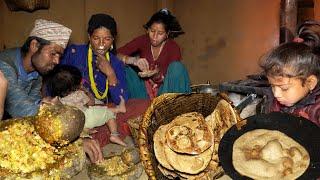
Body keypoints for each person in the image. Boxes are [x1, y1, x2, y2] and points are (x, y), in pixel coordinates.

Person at [60, 13, 151, 163]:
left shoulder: (115, 63)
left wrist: (110, 74)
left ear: (113, 40)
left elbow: (122, 100)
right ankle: (88, 136)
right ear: (89, 37)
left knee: (141, 106)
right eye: (96, 38)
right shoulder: (74, 53)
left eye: (107, 39)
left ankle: (94, 135)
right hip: (72, 108)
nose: (101, 44)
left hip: (101, 109)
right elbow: (55, 81)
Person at [0, 19, 72, 118]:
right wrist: (54, 111)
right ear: (34, 45)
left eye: (60, 56)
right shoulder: (4, 64)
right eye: (53, 54)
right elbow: (20, 107)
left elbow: (32, 102)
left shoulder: (37, 73)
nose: (57, 61)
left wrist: (44, 103)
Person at [117, 8, 191, 99]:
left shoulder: (173, 47)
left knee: (177, 67)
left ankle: (171, 108)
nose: (155, 37)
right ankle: (136, 106)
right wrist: (133, 60)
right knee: (124, 67)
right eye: (152, 31)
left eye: (160, 33)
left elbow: (173, 78)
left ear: (167, 34)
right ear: (148, 29)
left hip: (165, 91)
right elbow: (115, 54)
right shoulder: (143, 40)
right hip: (144, 91)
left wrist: (156, 75)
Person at [46, 65, 127, 146]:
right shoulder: (79, 94)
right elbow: (91, 103)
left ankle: (118, 109)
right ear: (76, 85)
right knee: (108, 114)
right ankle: (114, 135)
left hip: (77, 125)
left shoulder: (59, 100)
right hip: (87, 118)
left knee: (98, 109)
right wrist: (87, 92)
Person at [260, 42, 320, 126]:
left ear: (310, 83)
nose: (276, 94)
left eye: (284, 88)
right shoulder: (276, 102)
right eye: (273, 86)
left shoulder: (317, 109)